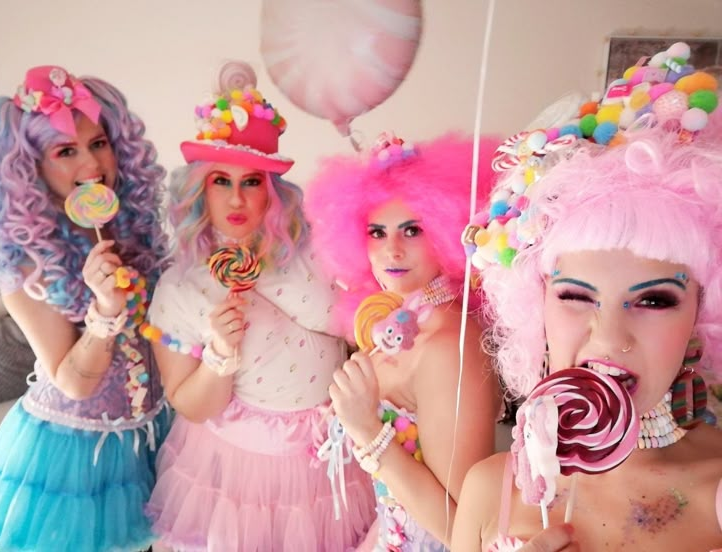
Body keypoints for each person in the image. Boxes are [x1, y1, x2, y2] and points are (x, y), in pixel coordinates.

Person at [450, 94, 722, 550]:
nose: (610, 338)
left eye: (655, 300)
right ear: (536, 309)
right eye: (576, 296)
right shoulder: (488, 489)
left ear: (701, 313)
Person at [144, 61, 374, 552]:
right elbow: (190, 403)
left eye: (252, 181)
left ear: (272, 188)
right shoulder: (180, 287)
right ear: (199, 188)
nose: (237, 198)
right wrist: (220, 354)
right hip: (238, 465)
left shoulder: (315, 247)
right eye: (220, 180)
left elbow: (359, 328)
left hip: (326, 453)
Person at [0, 65, 169, 551]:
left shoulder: (134, 236)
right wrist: (106, 310)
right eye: (65, 151)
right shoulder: (27, 269)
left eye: (99, 143)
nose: (91, 162)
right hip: (72, 453)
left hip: (148, 433)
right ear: (31, 167)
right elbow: (72, 380)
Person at [305, 132, 502, 550]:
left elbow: (462, 530)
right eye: (377, 232)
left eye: (412, 229)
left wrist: (367, 430)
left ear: (447, 231)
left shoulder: (448, 344)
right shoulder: (408, 318)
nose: (391, 249)